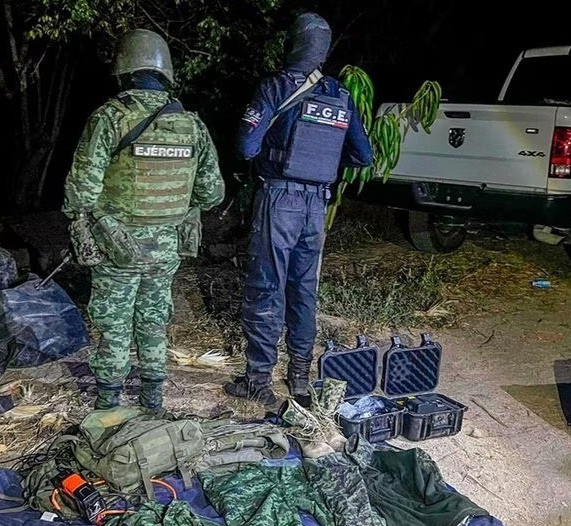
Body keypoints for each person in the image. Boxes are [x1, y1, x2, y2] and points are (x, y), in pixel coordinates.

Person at [63, 29, 225, 411]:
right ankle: (152, 399)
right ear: (165, 71)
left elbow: (81, 192)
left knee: (114, 323)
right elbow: (212, 194)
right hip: (166, 245)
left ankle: (108, 405)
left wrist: (88, 218)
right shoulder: (191, 125)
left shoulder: (109, 118)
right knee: (153, 320)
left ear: (123, 68)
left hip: (117, 243)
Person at [224, 12, 373, 407]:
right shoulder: (338, 94)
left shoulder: (275, 87)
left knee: (266, 287)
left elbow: (246, 147)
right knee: (304, 291)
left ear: (294, 43)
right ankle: (300, 380)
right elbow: (364, 155)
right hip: (316, 205)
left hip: (279, 200)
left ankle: (258, 381)